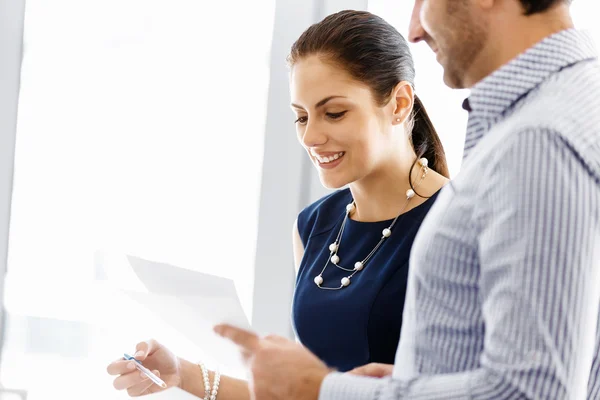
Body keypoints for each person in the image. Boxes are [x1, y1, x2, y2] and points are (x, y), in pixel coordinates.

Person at [215, 0, 600, 399]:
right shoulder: (560, 114)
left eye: (422, 0)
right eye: (301, 117)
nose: (415, 28)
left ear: (399, 104)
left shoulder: (539, 138)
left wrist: (324, 390)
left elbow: (531, 391)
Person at [106, 10, 450, 398]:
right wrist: (182, 374)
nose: (312, 136)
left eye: (333, 113)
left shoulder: (455, 219)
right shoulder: (313, 226)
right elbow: (301, 393)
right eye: (301, 118)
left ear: (400, 103)